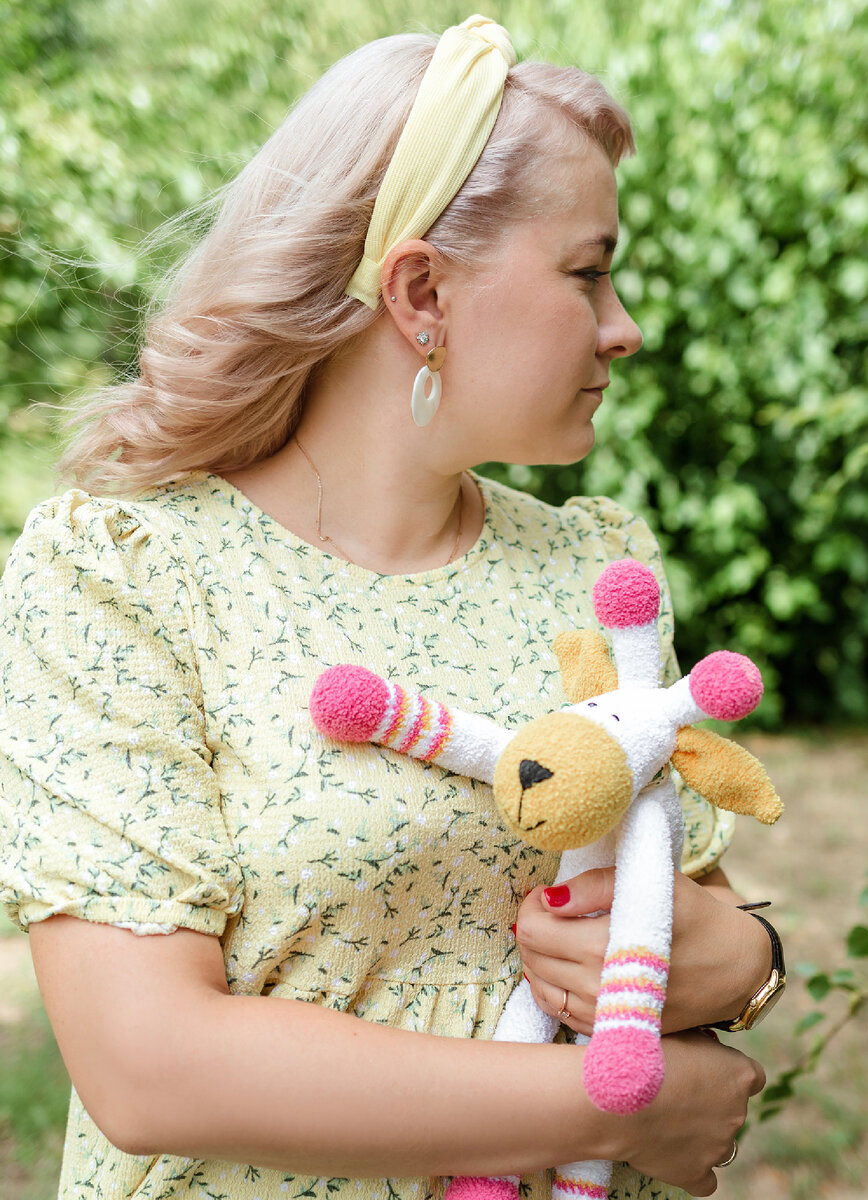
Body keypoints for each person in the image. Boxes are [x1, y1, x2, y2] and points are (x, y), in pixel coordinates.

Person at [0, 16, 781, 1200]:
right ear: (421, 291)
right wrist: (625, 1108)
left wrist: (750, 958)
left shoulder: (595, 574)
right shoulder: (123, 574)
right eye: (587, 271)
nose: (624, 326)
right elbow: (149, 1069)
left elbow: (675, 909)